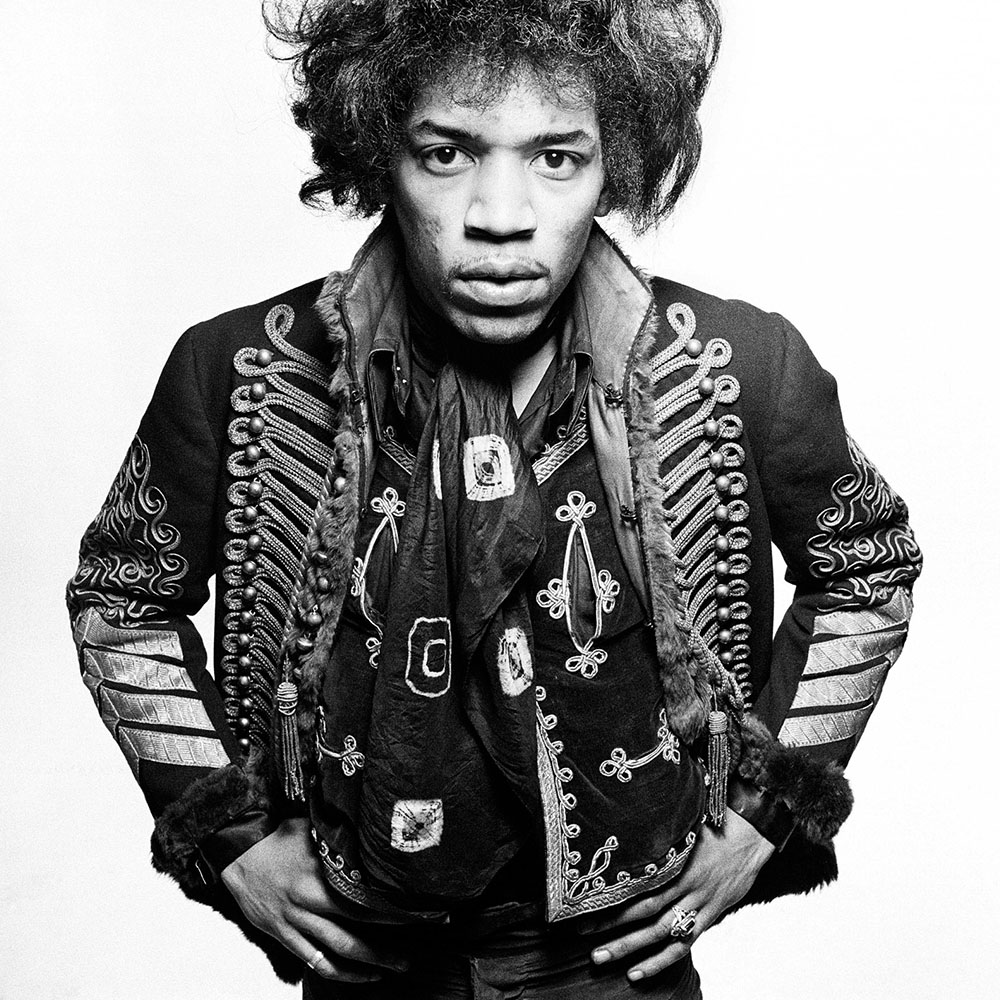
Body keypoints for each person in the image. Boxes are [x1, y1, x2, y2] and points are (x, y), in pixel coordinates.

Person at [66, 1, 922, 996]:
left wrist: (764, 820)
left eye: (556, 157)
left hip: (617, 968)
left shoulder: (738, 365)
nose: (502, 214)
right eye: (447, 153)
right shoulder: (242, 366)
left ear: (615, 161)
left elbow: (867, 570)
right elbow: (122, 599)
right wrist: (231, 838)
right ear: (379, 152)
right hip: (369, 960)